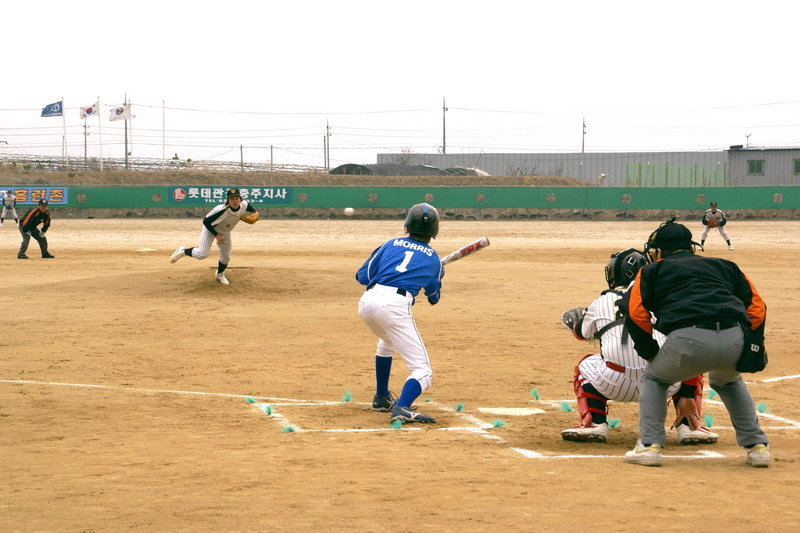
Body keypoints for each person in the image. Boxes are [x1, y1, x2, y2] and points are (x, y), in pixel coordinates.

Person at [619, 218, 769, 467]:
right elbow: (756, 307)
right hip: (734, 336)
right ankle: (757, 447)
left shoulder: (650, 270)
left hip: (688, 339)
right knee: (728, 380)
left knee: (655, 379)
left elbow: (635, 312)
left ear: (658, 252)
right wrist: (753, 344)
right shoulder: (726, 265)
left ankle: (649, 446)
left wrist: (649, 351)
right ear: (691, 248)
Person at [560, 249, 718, 445]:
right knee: (688, 362)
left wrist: (577, 323)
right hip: (661, 383)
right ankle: (689, 427)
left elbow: (581, 334)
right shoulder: (663, 298)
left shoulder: (600, 302)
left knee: (584, 364)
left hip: (611, 383)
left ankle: (594, 423)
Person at [356, 203, 444, 424]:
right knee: (423, 371)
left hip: (367, 303)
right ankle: (402, 407)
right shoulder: (434, 259)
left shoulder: (389, 244)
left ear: (406, 226)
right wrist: (437, 275)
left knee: (386, 341)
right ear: (434, 231)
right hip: (395, 306)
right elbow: (433, 298)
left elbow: (362, 277)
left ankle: (382, 398)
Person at [169, 188, 258, 285]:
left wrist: (256, 214)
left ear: (240, 199)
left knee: (226, 257)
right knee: (202, 254)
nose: (235, 201)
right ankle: (183, 251)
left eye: (237, 198)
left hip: (225, 231)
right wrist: (216, 235)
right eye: (232, 199)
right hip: (210, 229)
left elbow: (253, 211)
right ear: (228, 200)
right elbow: (206, 221)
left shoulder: (243, 205)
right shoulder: (220, 210)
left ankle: (219, 274)